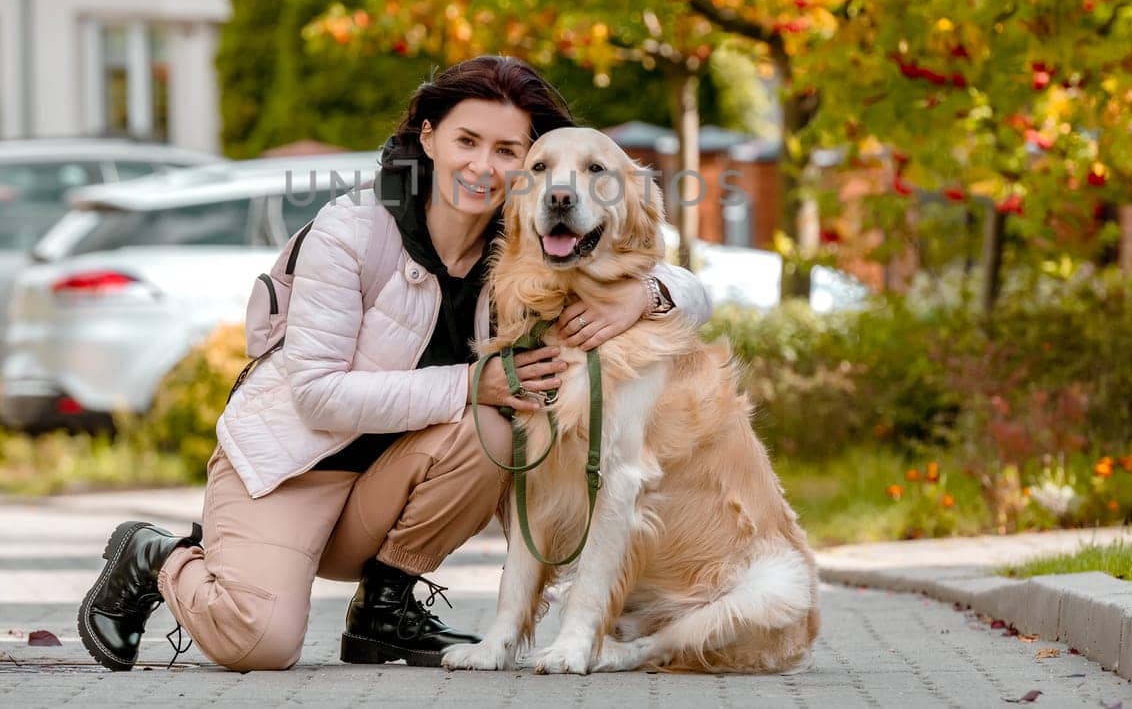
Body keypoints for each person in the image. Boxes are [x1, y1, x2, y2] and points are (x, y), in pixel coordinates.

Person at [78, 55, 713, 672]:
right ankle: (158, 556)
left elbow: (676, 277)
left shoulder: (523, 238)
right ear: (430, 137)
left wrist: (646, 294)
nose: (483, 167)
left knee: (497, 430)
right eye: (467, 140)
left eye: (507, 151)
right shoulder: (352, 230)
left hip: (393, 477)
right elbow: (319, 396)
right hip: (294, 467)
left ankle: (384, 609)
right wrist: (473, 383)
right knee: (260, 645)